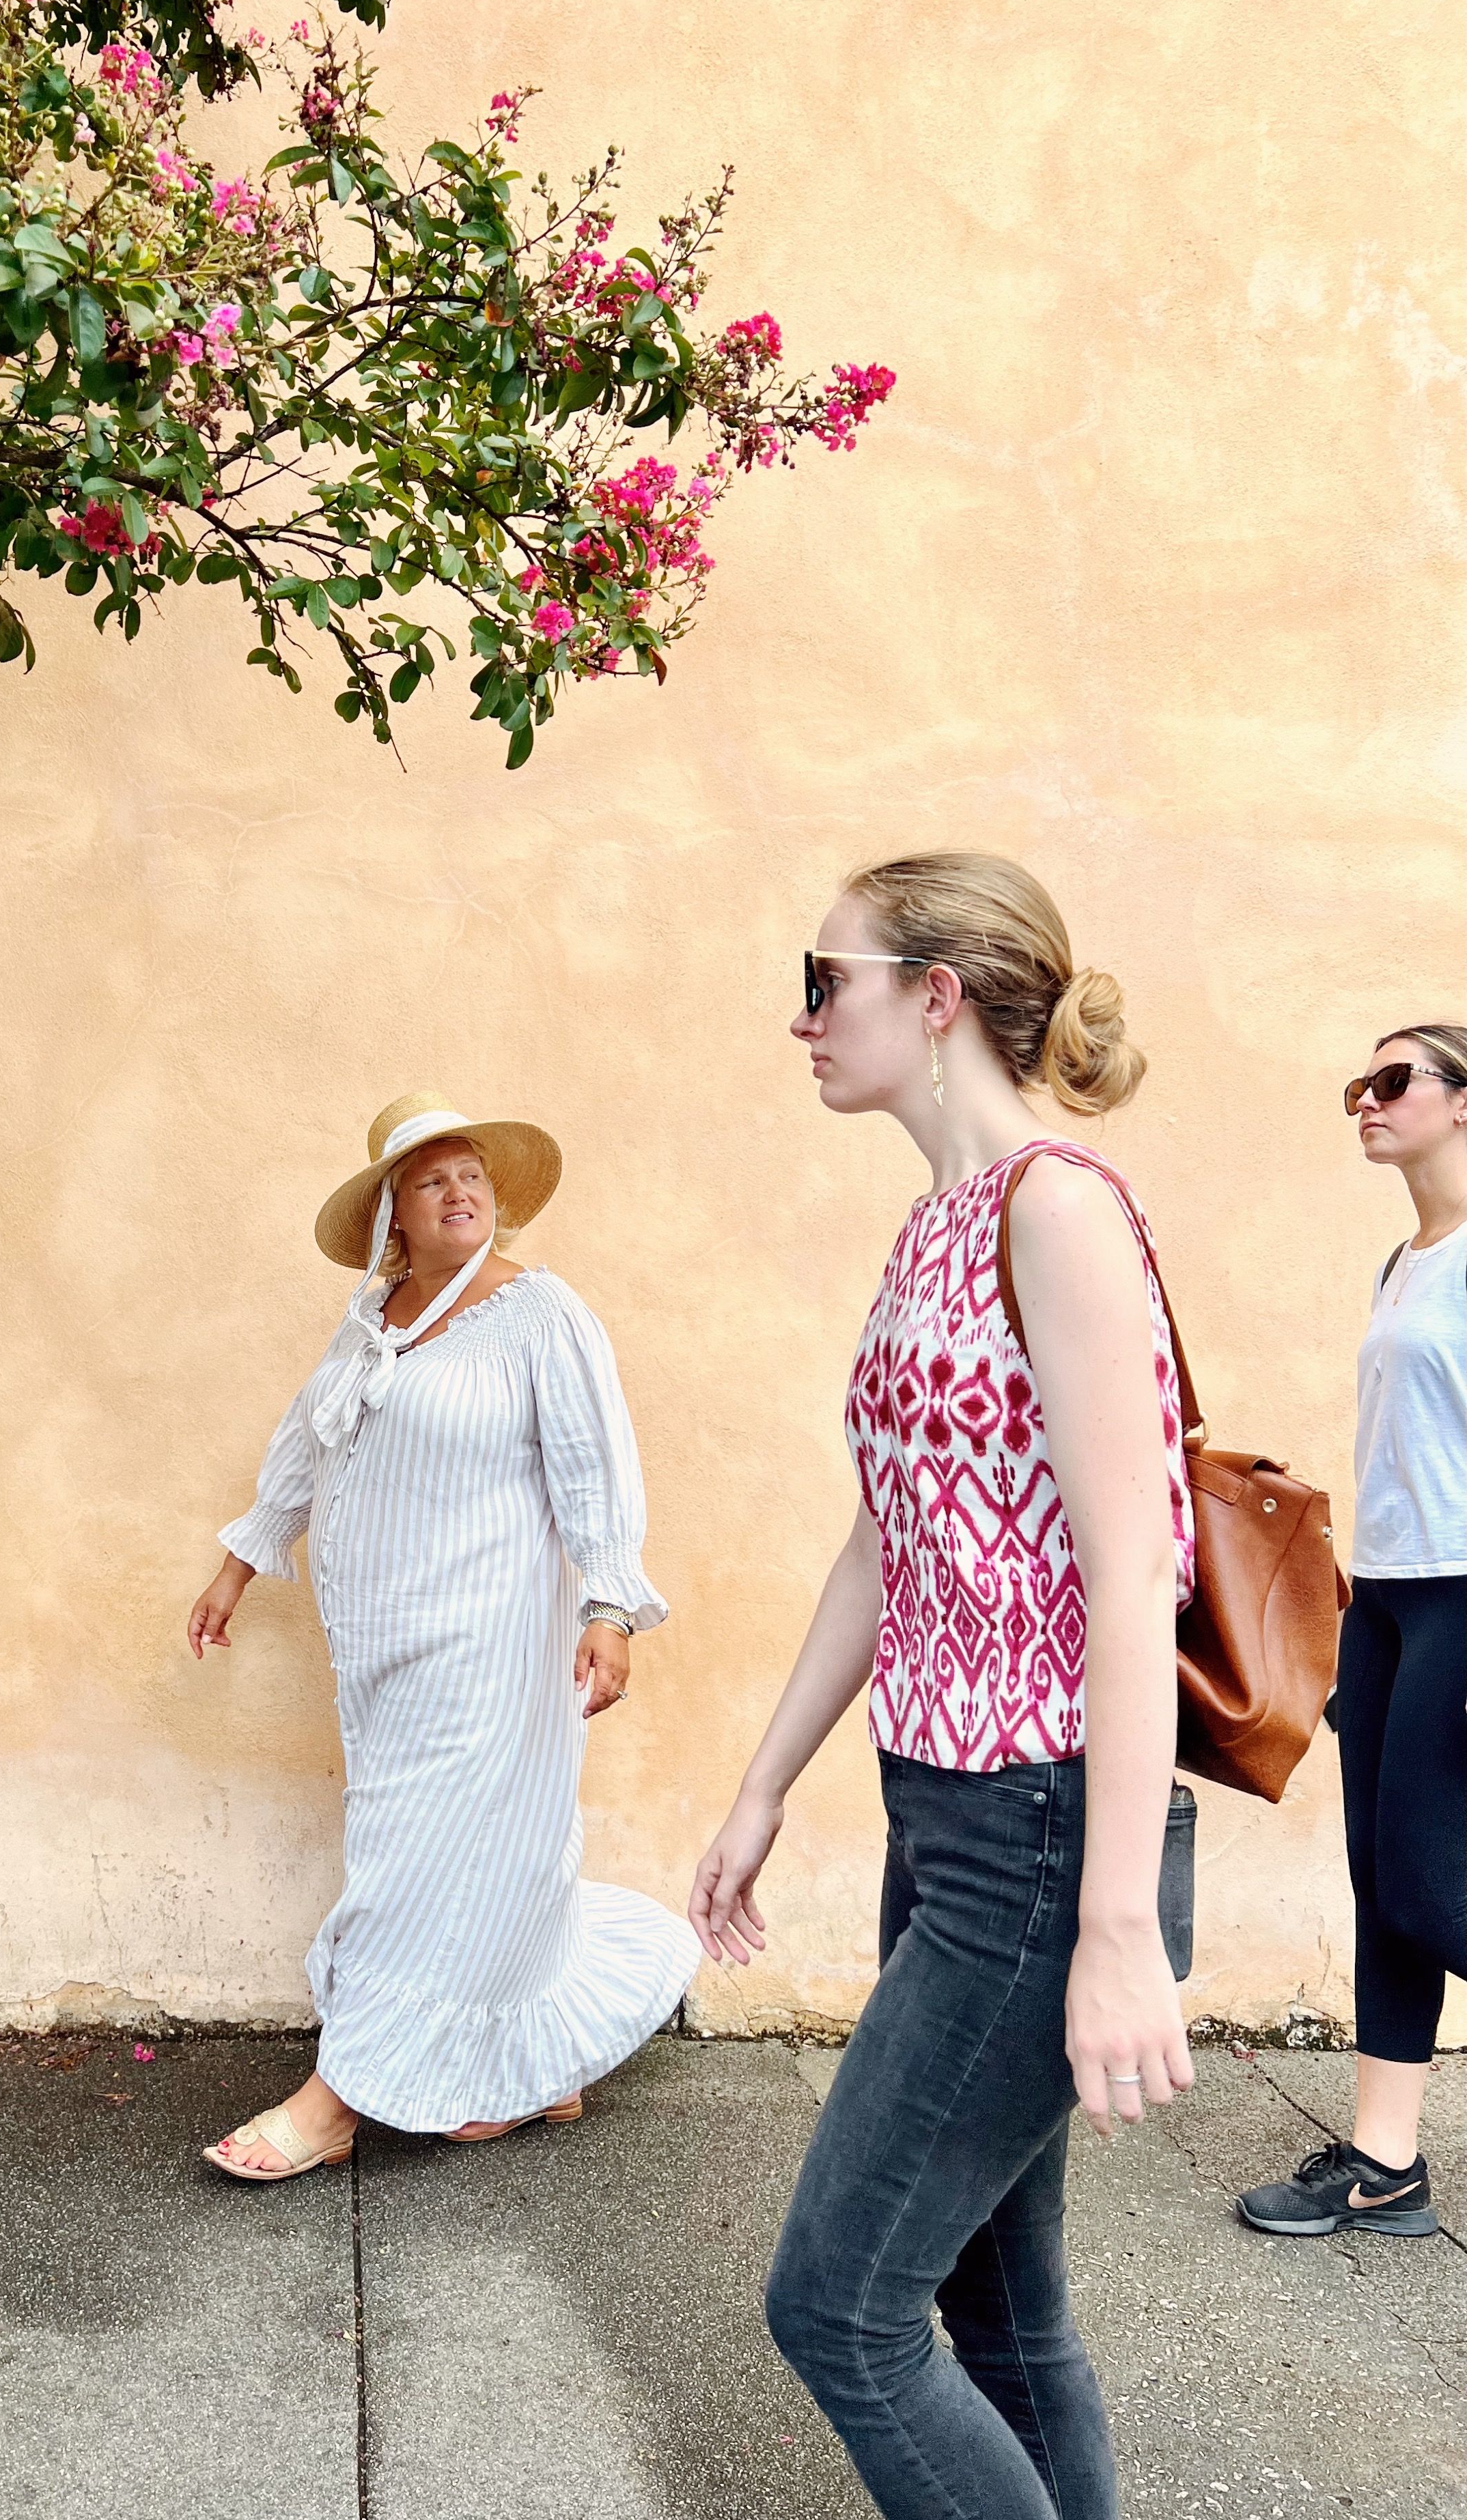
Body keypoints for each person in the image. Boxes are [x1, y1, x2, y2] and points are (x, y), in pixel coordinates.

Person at [690, 853, 1194, 2520]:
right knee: (989, 2302)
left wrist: (1116, 1928)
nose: (798, 1015)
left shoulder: (1057, 1207)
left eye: (820, 976)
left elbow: (1130, 1571)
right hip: (952, 1818)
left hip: (1046, 1839)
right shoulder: (939, 1222)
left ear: (934, 996)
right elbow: (881, 1541)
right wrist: (762, 1784)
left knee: (833, 2304)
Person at [187, 1092, 699, 2181]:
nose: (459, 1192)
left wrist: (610, 1607)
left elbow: (593, 1465)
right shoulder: (375, 1317)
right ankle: (526, 2062)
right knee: (443, 1849)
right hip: (381, 1643)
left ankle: (334, 2104)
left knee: (434, 1856)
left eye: (471, 1175)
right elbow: (304, 1443)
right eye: (431, 1180)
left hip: (493, 1641)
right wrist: (240, 1565)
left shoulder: (540, 1312)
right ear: (394, 1214)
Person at [1237, 1025, 1466, 2240]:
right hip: (1382, 1600)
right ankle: (1385, 2163)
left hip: (1462, 1599)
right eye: (1356, 1087)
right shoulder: (1405, 1261)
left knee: (1433, 1888)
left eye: (1391, 1083)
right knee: (1379, 1880)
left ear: (1463, 1104)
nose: (1365, 1104)